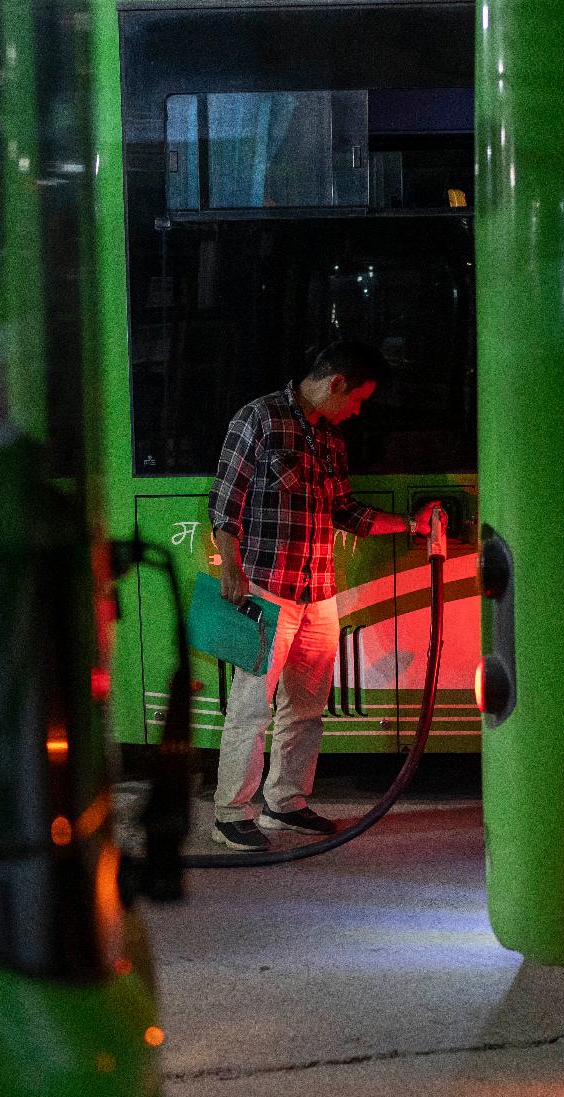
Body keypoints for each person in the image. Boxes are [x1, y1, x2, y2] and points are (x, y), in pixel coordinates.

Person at [205, 340, 439, 851]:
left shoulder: (330, 439)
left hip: (319, 590)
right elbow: (225, 500)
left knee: (307, 707)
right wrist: (232, 569)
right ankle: (231, 812)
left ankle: (285, 802)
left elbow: (344, 511)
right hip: (267, 588)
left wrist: (410, 526)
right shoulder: (259, 418)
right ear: (336, 384)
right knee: (252, 704)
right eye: (357, 399)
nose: (357, 411)